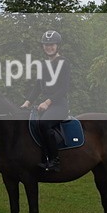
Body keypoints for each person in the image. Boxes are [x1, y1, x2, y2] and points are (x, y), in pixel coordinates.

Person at [21, 30, 70, 172]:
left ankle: (55, 160)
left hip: (59, 105)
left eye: (52, 44)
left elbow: (64, 88)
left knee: (44, 124)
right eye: (46, 45)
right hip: (45, 105)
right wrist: (27, 102)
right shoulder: (43, 64)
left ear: (58, 46)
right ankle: (41, 157)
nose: (49, 47)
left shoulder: (64, 63)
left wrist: (48, 102)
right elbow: (37, 87)